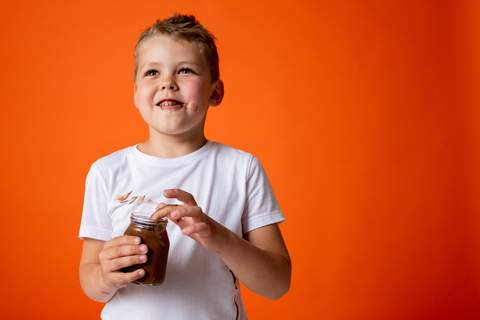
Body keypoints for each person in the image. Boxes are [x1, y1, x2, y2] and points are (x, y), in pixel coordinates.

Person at [79, 13, 291, 320]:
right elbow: (89, 279)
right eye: (152, 72)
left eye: (186, 70)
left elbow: (277, 284)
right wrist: (106, 276)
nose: (167, 83)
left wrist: (218, 236)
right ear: (136, 94)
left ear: (215, 91)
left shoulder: (241, 169)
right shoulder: (106, 171)